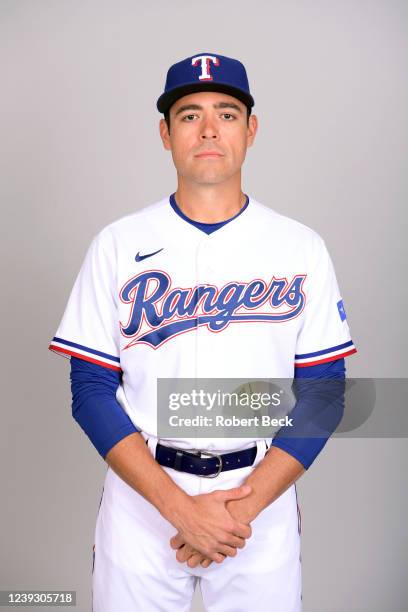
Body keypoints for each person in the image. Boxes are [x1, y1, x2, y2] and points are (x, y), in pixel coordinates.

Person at [49, 53, 357, 611]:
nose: (210, 129)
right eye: (190, 115)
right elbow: (90, 391)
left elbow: (325, 393)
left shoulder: (299, 247)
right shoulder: (117, 245)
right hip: (144, 497)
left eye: (228, 113)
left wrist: (238, 510)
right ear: (165, 134)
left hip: (258, 495)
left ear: (251, 129)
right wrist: (179, 508)